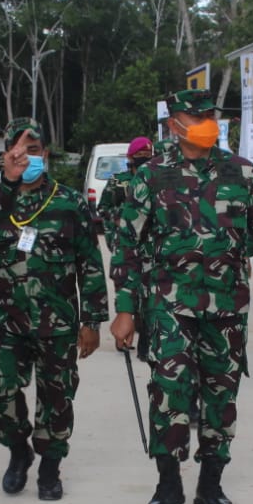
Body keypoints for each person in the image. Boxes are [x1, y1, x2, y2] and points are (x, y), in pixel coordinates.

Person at [109, 88, 253, 504]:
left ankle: (211, 483)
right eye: (197, 115)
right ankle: (167, 483)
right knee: (169, 392)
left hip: (227, 306)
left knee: (221, 396)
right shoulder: (152, 175)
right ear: (175, 124)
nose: (207, 121)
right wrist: (126, 307)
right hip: (170, 305)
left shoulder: (243, 173)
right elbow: (127, 243)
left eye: (211, 114)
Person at [0, 117, 109, 500]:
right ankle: (18, 451)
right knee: (1, 393)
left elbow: (90, 264)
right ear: (4, 157)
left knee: (57, 397)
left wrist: (92, 320)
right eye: (18, 151)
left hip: (57, 321)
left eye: (34, 151)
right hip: (3, 322)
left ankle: (50, 465)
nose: (26, 158)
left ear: (45, 155)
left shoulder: (69, 202)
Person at [97, 137, 155, 362]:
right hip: (126, 244)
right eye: (139, 160)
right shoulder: (118, 182)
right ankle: (125, 329)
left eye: (147, 160)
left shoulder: (155, 179)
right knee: (126, 287)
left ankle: (145, 339)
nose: (143, 164)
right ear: (130, 160)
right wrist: (118, 228)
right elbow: (104, 209)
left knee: (149, 293)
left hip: (150, 249)